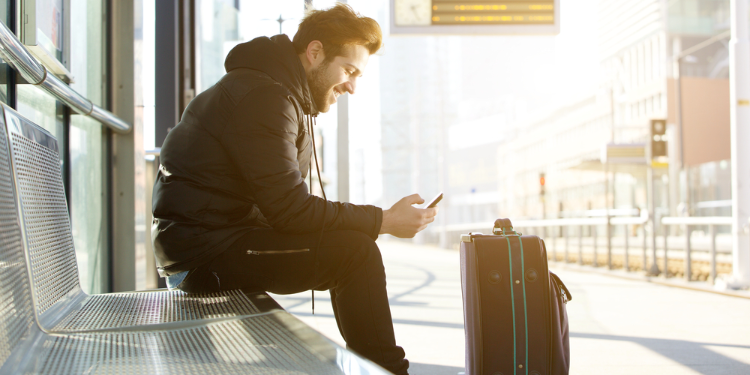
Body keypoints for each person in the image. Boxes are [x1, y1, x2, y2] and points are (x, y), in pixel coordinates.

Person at [151, 4, 438, 374]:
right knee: (356, 253)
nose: (351, 85)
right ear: (315, 53)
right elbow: (292, 211)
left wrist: (376, 220)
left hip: (209, 244)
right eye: (349, 70)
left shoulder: (276, 93)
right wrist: (383, 220)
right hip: (204, 255)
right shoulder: (265, 98)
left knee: (352, 246)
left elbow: (288, 209)